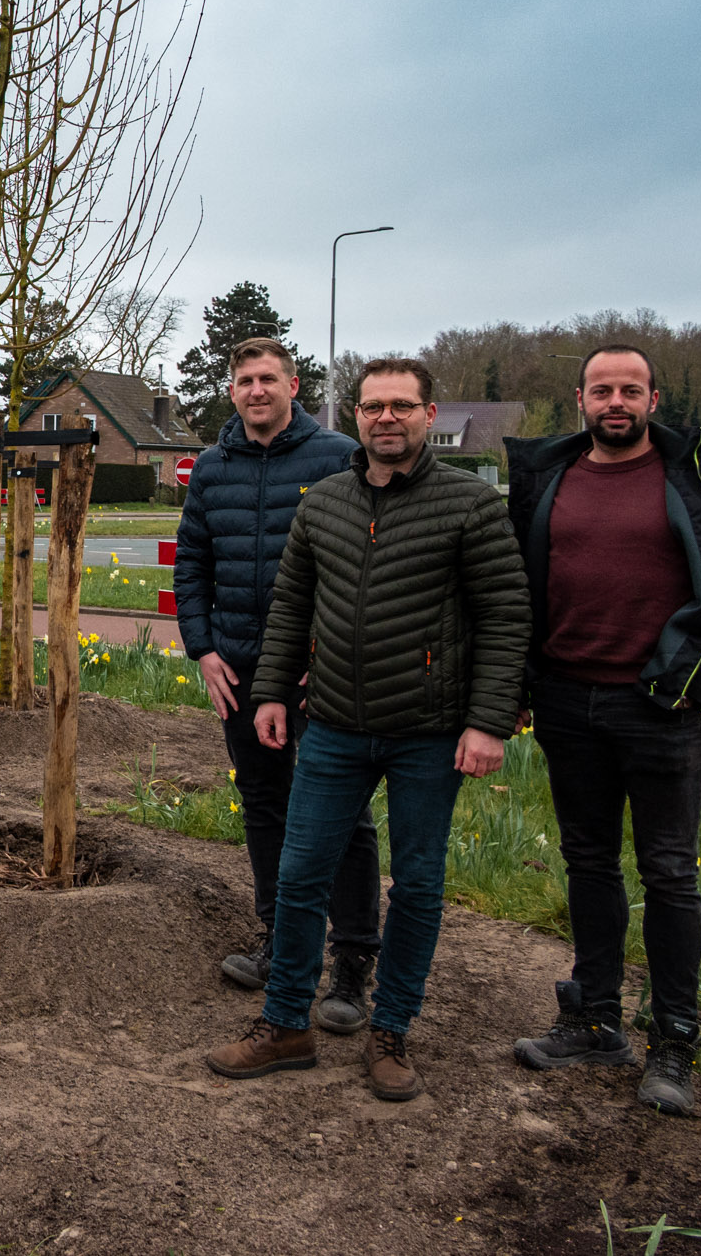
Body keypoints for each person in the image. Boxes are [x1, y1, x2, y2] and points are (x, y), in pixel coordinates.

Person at [205, 358, 530, 1101]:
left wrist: (487, 721)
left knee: (416, 883)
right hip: (335, 727)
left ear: (428, 413)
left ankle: (391, 1033)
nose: (388, 418)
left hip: (427, 731)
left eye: (402, 406)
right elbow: (292, 605)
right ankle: (285, 1022)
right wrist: (272, 693)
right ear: (356, 414)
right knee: (298, 872)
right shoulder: (325, 504)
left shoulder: (469, 506)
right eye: (375, 405)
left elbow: (507, 615)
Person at [506, 345, 701, 1117]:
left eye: (630, 388)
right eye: (603, 389)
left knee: (670, 874)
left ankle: (674, 1043)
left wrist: (689, 680)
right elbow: (515, 589)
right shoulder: (545, 481)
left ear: (654, 397)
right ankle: (595, 1018)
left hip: (661, 707)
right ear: (580, 398)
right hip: (567, 701)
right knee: (588, 862)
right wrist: (519, 686)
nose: (616, 400)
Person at [172, 336, 380, 1032]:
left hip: (321, 673)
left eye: (268, 378)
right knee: (263, 802)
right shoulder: (211, 467)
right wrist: (202, 649)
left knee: (344, 817)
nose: (256, 389)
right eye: (244, 380)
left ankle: (352, 963)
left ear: (293, 385)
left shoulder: (337, 458)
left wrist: (331, 652)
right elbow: (192, 564)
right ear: (230, 390)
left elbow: (366, 564)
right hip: (239, 667)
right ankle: (278, 939)